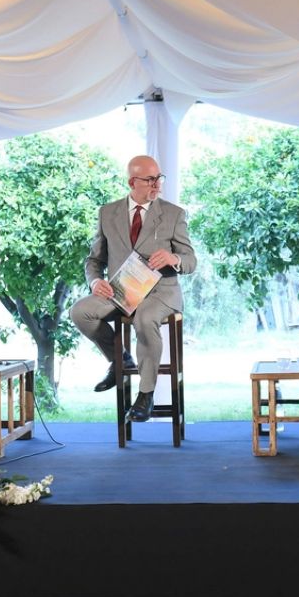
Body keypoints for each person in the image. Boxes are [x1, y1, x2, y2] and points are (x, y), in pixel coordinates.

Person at [70, 155, 197, 422]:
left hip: (162, 293)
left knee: (145, 317)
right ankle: (120, 360)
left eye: (159, 178)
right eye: (150, 180)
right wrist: (95, 281)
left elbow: (191, 261)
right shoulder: (107, 213)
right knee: (80, 312)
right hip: (122, 291)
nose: (157, 185)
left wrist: (174, 259)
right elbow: (94, 260)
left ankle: (145, 394)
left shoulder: (174, 214)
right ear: (132, 182)